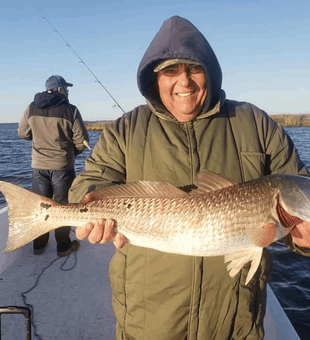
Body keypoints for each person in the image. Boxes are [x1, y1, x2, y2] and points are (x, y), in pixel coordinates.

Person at [69, 16, 310, 339]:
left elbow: (297, 184)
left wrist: (303, 241)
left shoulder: (254, 122)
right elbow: (88, 183)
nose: (184, 82)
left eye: (193, 69)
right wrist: (92, 207)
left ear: (209, 71)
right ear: (154, 78)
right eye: (170, 70)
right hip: (149, 318)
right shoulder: (127, 128)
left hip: (234, 320)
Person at [18, 75, 89, 257]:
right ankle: (63, 246)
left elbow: (22, 133)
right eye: (66, 88)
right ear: (60, 89)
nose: (67, 91)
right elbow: (81, 142)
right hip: (62, 168)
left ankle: (39, 245)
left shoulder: (31, 108)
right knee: (62, 207)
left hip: (38, 167)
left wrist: (41, 141)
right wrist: (69, 153)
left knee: (41, 206)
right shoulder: (71, 110)